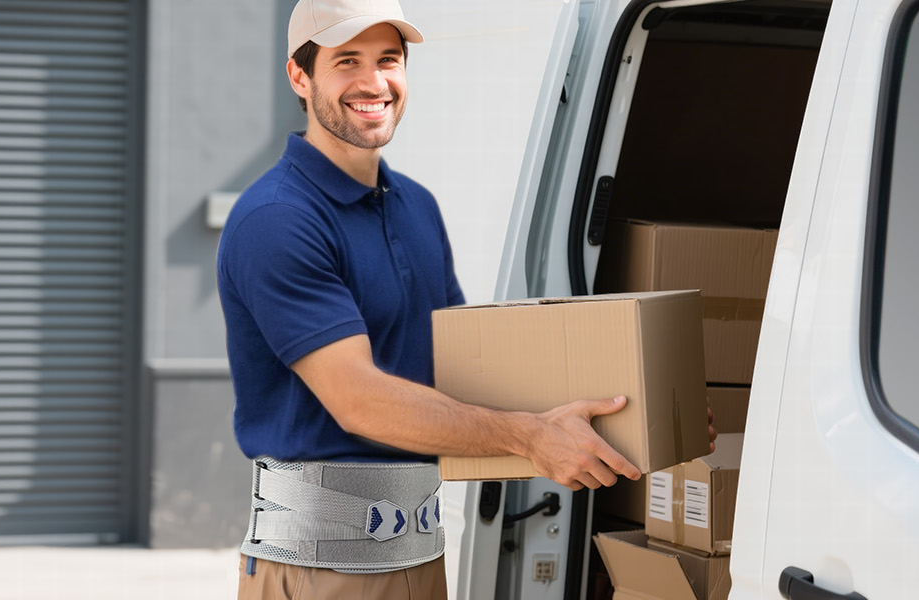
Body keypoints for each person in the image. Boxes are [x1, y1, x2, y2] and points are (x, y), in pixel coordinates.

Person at [215, 1, 660, 598]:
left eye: (389, 60)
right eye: (347, 61)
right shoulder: (278, 219)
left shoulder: (415, 207)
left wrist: (639, 414)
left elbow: (461, 372)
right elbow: (360, 402)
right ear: (300, 77)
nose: (374, 82)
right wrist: (531, 438)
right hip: (318, 570)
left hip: (421, 558)